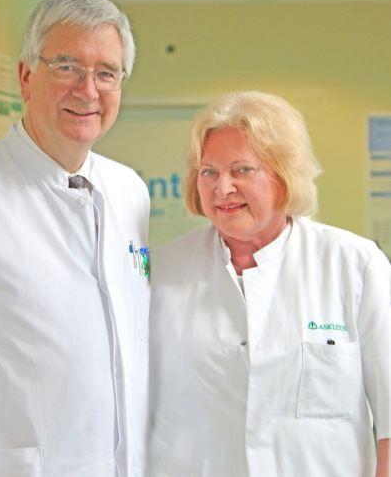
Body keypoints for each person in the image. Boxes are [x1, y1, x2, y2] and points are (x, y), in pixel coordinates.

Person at [0, 0, 150, 477]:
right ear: (25, 76)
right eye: (67, 67)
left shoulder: (129, 191)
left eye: (107, 73)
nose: (88, 90)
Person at [148, 91, 390, 477]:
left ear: (284, 174)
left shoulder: (353, 264)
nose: (222, 188)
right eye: (208, 172)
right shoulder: (162, 270)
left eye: (242, 170)